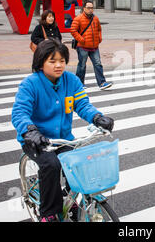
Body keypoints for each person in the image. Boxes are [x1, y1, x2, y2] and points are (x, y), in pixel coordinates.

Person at [11, 38, 115, 222]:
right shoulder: (30, 84)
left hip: (64, 139)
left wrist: (97, 117)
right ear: (41, 63)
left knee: (77, 163)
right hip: (36, 141)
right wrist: (30, 131)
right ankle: (49, 213)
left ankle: (70, 200)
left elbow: (82, 104)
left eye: (62, 61)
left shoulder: (71, 81)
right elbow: (19, 113)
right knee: (51, 165)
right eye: (52, 61)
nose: (58, 65)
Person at [70, 1, 113, 90]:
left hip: (94, 47)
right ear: (84, 8)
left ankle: (102, 83)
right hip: (82, 47)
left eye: (92, 8)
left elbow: (99, 29)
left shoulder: (95, 19)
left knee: (98, 64)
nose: (90, 10)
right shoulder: (78, 18)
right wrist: (81, 40)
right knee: (82, 65)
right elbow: (73, 30)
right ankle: (79, 84)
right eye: (88, 8)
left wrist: (99, 38)